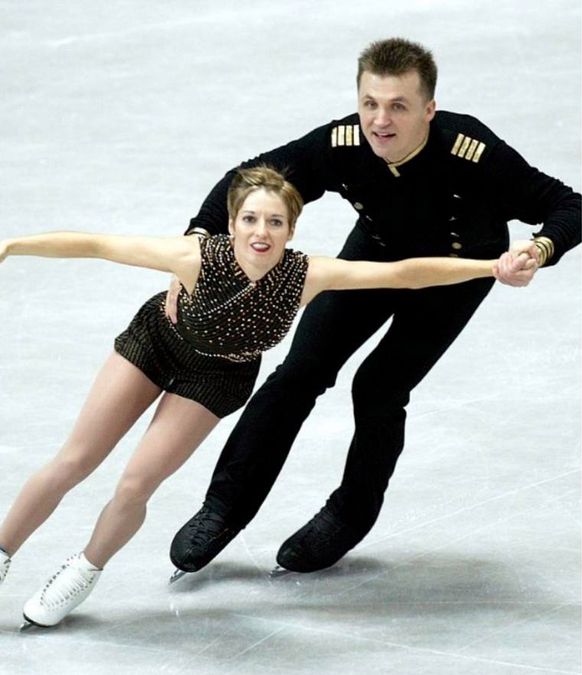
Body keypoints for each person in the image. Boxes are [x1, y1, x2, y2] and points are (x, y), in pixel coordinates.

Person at [0, 166, 506, 627]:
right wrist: (10, 245)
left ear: (291, 230)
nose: (261, 232)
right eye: (250, 219)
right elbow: (95, 245)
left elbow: (403, 274)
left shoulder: (306, 276)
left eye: (275, 222)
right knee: (75, 460)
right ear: (232, 223)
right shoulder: (194, 257)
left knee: (135, 485)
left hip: (217, 378)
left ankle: (85, 569)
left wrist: (490, 268)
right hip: (155, 344)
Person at [168, 37, 581, 577]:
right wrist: (196, 241)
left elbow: (564, 203)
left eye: (398, 106)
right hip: (375, 257)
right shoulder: (342, 144)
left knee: (380, 386)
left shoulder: (472, 152)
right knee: (299, 371)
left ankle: (351, 512)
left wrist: (538, 249)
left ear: (429, 110)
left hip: (454, 273)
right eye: (370, 103)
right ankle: (224, 508)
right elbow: (250, 177)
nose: (380, 121)